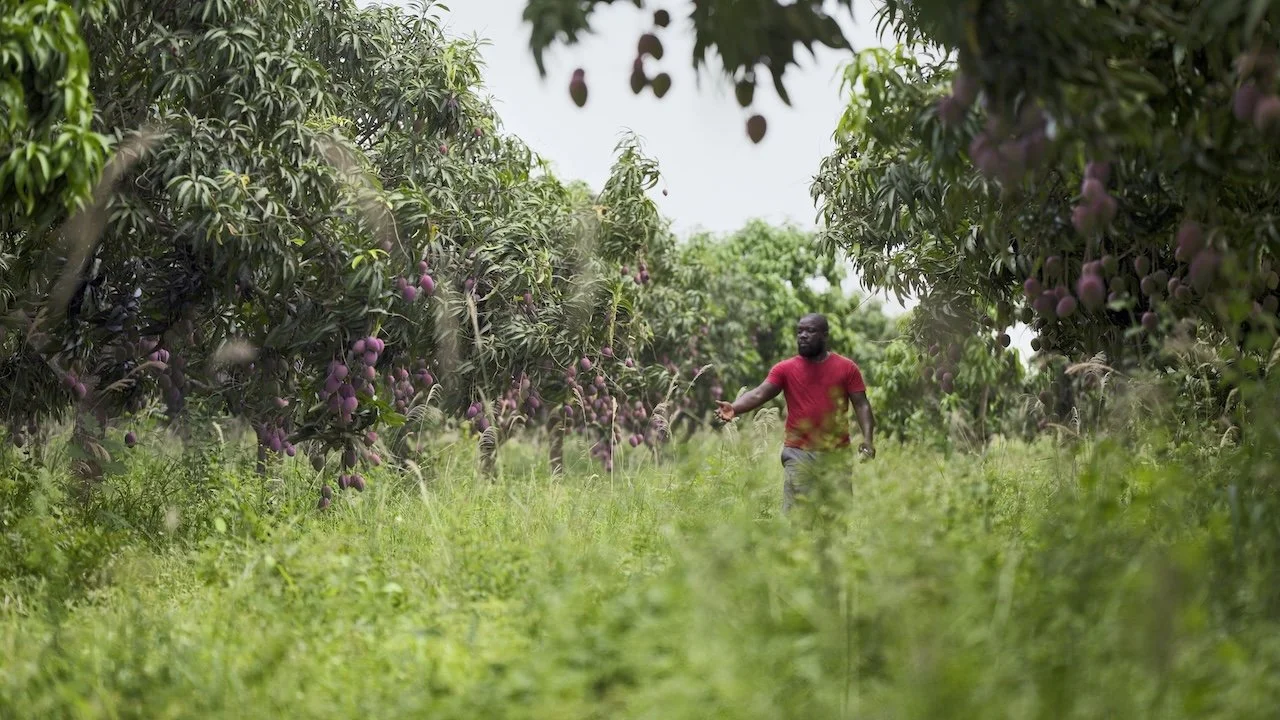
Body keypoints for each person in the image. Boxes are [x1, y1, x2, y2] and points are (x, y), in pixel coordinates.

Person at [714, 313, 875, 512]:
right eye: (800, 331)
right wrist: (734, 407)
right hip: (798, 454)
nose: (803, 336)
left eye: (810, 331)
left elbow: (862, 405)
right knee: (797, 520)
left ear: (825, 335)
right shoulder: (785, 369)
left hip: (836, 455)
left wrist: (868, 440)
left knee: (835, 520)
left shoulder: (847, 368)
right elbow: (759, 393)